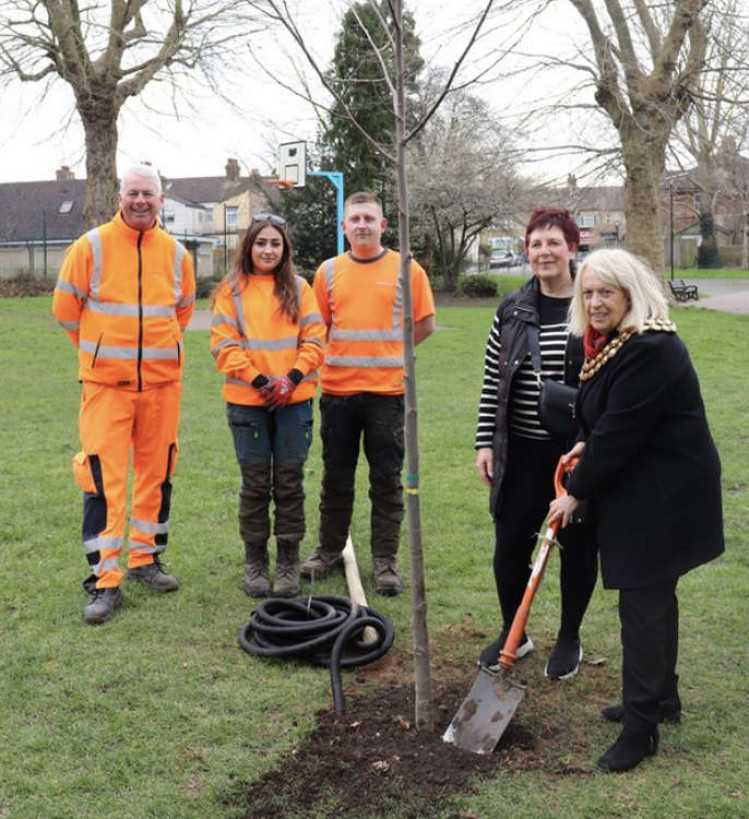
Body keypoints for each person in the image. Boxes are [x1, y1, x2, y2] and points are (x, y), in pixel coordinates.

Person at [549, 248, 724, 772]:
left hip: (664, 494)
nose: (596, 302)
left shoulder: (649, 346)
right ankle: (660, 699)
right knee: (651, 599)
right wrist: (584, 444)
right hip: (641, 485)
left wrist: (574, 491)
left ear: (630, 293)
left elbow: (623, 432)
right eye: (588, 293)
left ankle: (640, 730)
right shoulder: (611, 344)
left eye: (607, 292)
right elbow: (606, 416)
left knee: (643, 606)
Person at [53, 164, 196, 624]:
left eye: (148, 194)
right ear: (120, 197)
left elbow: (183, 311)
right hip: (105, 389)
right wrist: (99, 354)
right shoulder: (90, 246)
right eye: (132, 192)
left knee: (157, 474)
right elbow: (66, 311)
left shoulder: (177, 254)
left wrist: (155, 356)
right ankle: (104, 581)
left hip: (161, 387)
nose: (140, 201)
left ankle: (144, 561)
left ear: (160, 199)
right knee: (103, 481)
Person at [475, 207, 598, 679]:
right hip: (520, 452)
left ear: (572, 247)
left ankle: (569, 637)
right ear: (527, 251)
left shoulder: (593, 304)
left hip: (576, 457)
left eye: (554, 242)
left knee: (578, 546)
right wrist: (485, 443)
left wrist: (590, 452)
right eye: (535, 243)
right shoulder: (512, 309)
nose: (544, 251)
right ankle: (514, 631)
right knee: (509, 546)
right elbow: (493, 383)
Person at [299, 191, 436, 596]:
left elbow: (425, 324)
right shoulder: (327, 271)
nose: (361, 225)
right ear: (344, 227)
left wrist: (394, 353)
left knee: (387, 480)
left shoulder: (406, 269)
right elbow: (317, 328)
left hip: (387, 395)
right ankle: (327, 550)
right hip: (338, 393)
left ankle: (385, 561)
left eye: (369, 219)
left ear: (383, 225)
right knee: (336, 477)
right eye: (354, 218)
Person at [210, 214, 326, 598]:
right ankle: (256, 560)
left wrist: (291, 379)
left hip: (293, 402)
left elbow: (315, 339)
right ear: (249, 246)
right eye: (261, 243)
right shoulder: (231, 291)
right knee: (256, 485)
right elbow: (224, 346)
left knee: (290, 484)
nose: (268, 250)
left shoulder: (299, 287)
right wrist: (260, 381)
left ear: (284, 249)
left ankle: (288, 562)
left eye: (275, 244)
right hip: (248, 402)